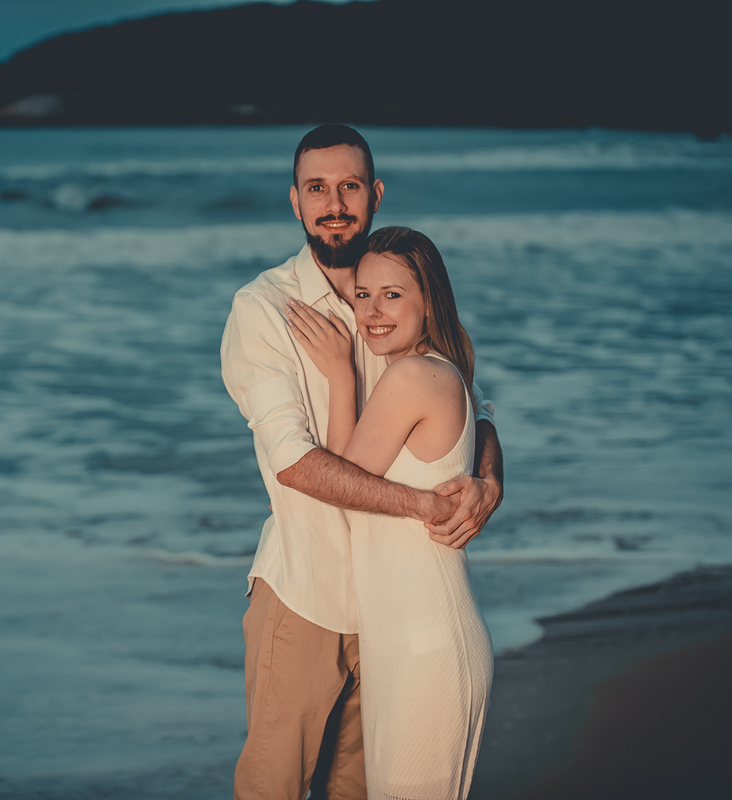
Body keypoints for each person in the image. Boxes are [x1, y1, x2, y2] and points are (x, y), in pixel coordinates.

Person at [220, 124, 503, 800]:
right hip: (309, 595)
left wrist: (489, 479)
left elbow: (476, 411)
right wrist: (421, 504)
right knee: (274, 789)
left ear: (374, 193)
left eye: (349, 186)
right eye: (317, 188)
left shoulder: (402, 292)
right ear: (295, 201)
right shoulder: (264, 311)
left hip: (396, 608)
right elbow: (295, 463)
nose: (334, 203)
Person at [286, 226, 492, 800]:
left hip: (425, 645)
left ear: (430, 300)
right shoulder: (439, 372)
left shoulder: (411, 377)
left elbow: (342, 484)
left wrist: (339, 374)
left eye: (392, 295)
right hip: (412, 639)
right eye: (363, 295)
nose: (372, 312)